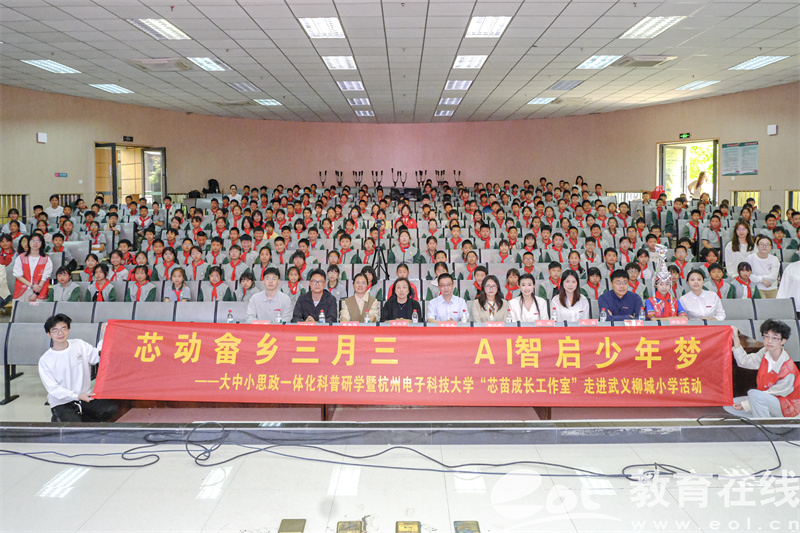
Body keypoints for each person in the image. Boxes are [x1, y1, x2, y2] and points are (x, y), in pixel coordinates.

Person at [38, 314, 118, 422]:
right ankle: (59, 418)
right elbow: (54, 389)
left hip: (85, 397)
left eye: (63, 329)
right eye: (55, 330)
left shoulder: (79, 344)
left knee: (111, 409)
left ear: (68, 330)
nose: (60, 333)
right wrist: (77, 396)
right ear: (48, 334)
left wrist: (105, 336)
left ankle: (83, 418)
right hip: (63, 403)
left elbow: (97, 356)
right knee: (73, 427)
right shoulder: (45, 360)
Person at [726, 320, 800, 418]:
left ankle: (765, 425)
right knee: (731, 403)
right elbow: (745, 361)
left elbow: (774, 393)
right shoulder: (765, 352)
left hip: (788, 406)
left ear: (783, 341)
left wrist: (746, 404)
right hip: (771, 399)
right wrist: (735, 338)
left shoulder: (788, 370)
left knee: (753, 394)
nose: (769, 341)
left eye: (775, 338)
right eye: (766, 336)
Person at [12, 233, 51, 302]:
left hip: (39, 291)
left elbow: (44, 277)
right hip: (22, 290)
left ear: (42, 243)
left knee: (37, 308)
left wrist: (36, 293)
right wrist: (31, 286)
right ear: (29, 242)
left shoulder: (46, 259)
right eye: (33, 240)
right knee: (19, 308)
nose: (35, 243)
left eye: (38, 241)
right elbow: (18, 275)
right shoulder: (20, 257)